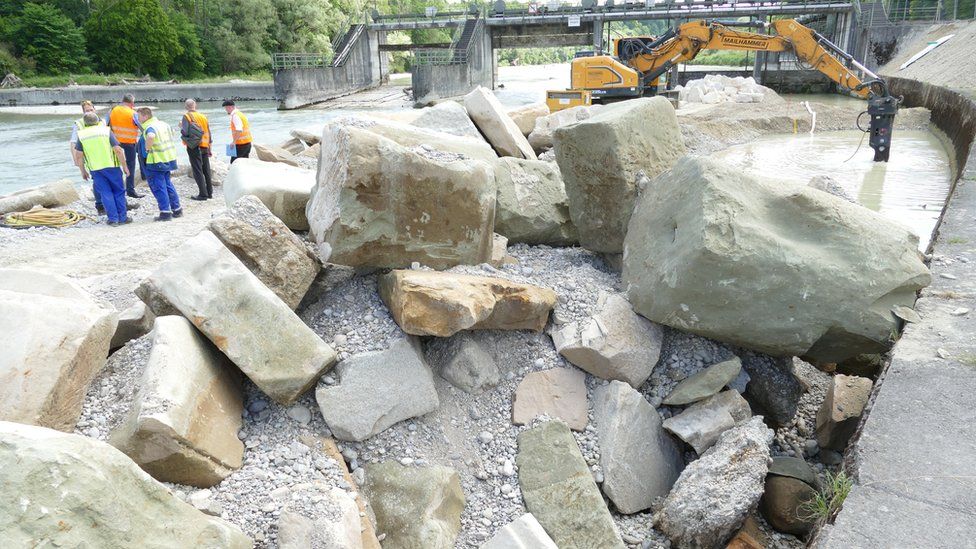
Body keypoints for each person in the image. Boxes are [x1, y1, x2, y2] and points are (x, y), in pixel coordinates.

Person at [74, 113, 131, 226]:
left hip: (95, 169)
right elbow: (118, 150)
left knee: (105, 193)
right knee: (118, 191)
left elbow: (79, 155)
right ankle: (123, 218)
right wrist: (124, 166)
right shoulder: (106, 131)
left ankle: (113, 219)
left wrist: (83, 171)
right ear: (98, 120)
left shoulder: (82, 135)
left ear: (85, 123)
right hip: (112, 166)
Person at [136, 107, 182, 221]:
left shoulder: (149, 127)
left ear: (145, 116)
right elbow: (173, 132)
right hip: (168, 158)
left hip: (155, 160)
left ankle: (165, 213)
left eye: (139, 116)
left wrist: (147, 149)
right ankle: (177, 209)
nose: (137, 119)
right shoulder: (163, 124)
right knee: (167, 184)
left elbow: (151, 137)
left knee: (158, 186)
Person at [69, 100, 105, 213]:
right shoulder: (78, 124)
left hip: (104, 154)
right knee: (97, 180)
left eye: (91, 110)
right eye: (86, 111)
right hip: (90, 155)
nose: (89, 112)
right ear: (83, 112)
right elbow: (73, 143)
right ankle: (100, 205)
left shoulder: (102, 121)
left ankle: (114, 203)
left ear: (95, 109)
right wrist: (76, 160)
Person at [106, 93, 145, 198]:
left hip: (114, 142)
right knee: (130, 166)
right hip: (129, 143)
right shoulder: (133, 113)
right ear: (132, 103)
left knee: (115, 165)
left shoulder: (112, 110)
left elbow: (106, 125)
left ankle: (116, 188)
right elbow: (141, 127)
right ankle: (130, 190)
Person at [181, 99, 213, 200]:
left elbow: (185, 132)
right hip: (205, 145)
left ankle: (203, 194)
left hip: (194, 146)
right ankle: (209, 193)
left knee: (197, 170)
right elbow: (209, 132)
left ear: (186, 107)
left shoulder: (186, 116)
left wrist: (180, 127)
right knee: (206, 170)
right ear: (195, 106)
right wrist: (209, 148)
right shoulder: (203, 117)